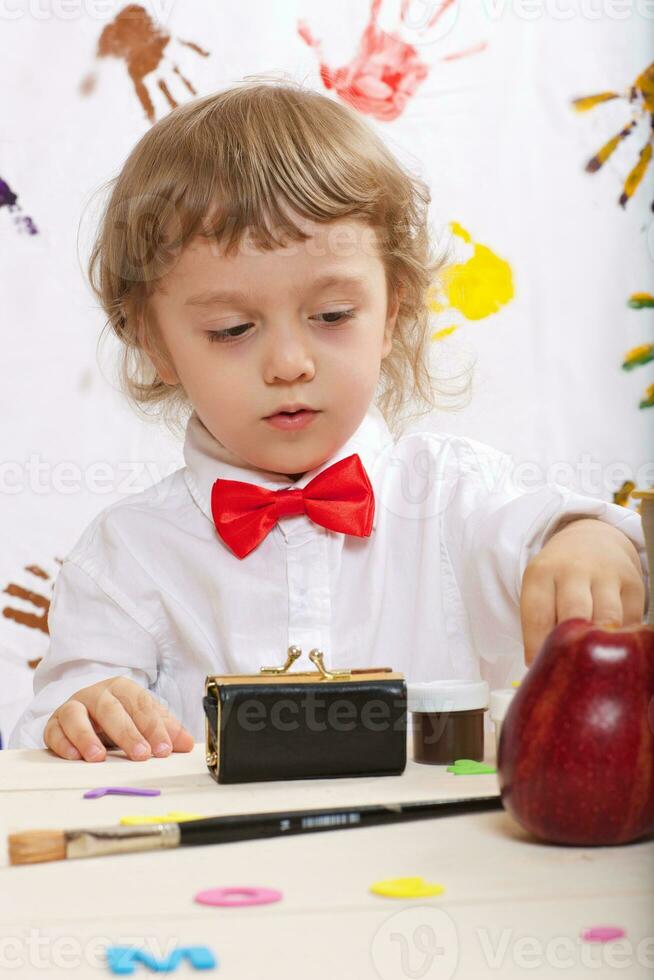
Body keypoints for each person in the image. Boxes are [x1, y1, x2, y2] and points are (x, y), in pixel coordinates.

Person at [9, 80, 647, 761]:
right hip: (217, 865)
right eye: (231, 329)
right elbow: (48, 737)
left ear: (392, 309)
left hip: (439, 864)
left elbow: (549, 534)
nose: (289, 363)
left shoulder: (454, 496)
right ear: (155, 342)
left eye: (333, 317)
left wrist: (587, 541)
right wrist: (85, 714)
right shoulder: (127, 554)